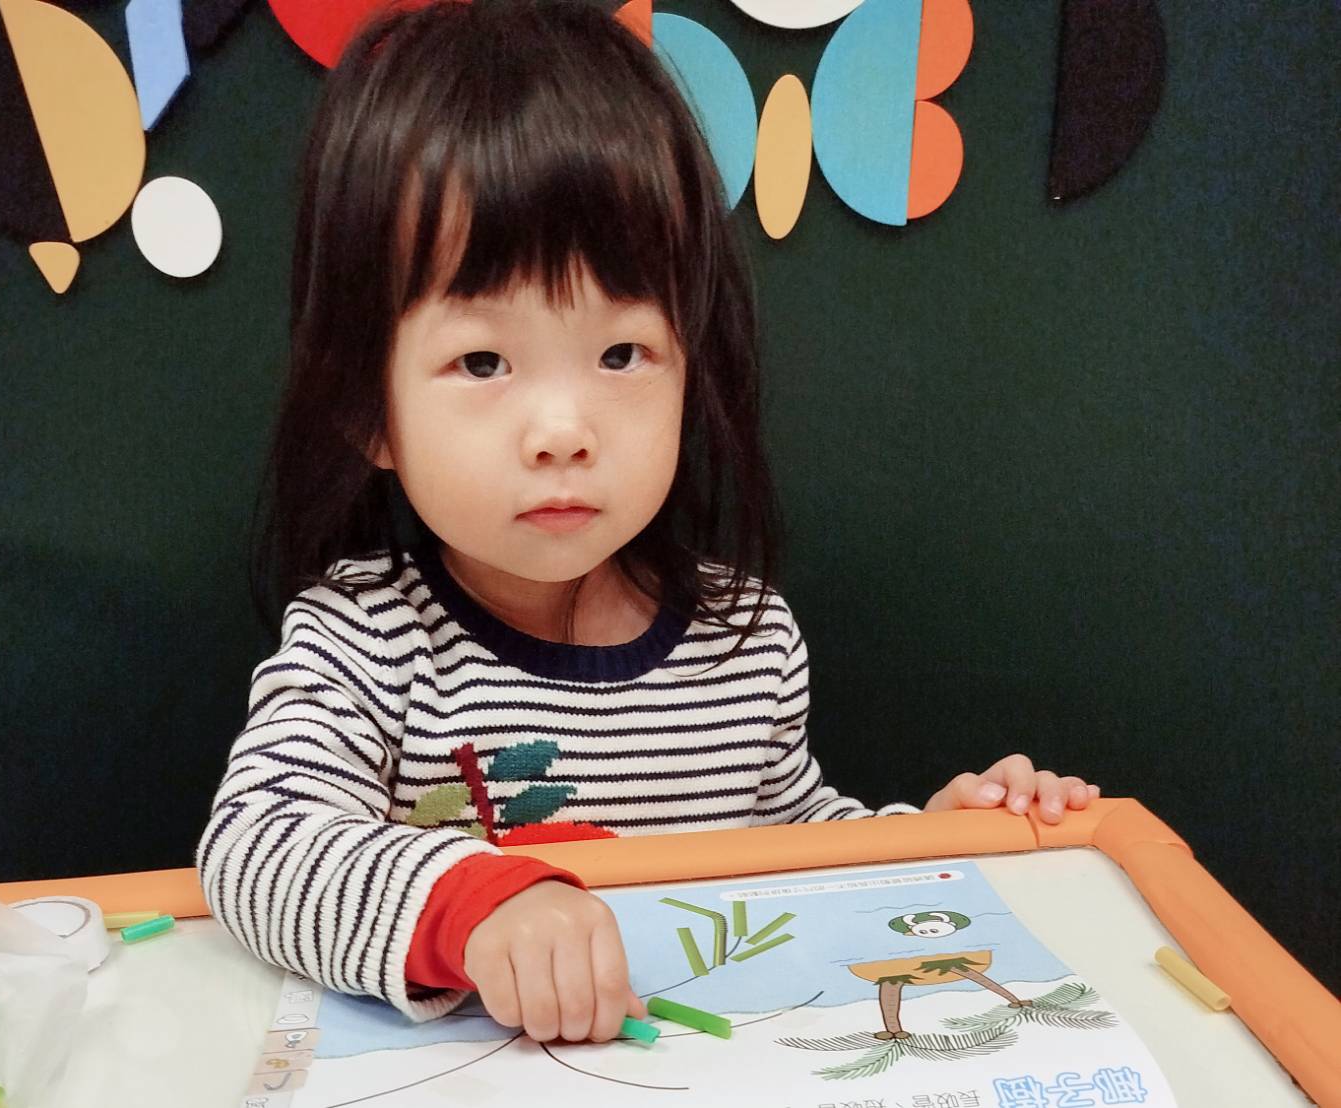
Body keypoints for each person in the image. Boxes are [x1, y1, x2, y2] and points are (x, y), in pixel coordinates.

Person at [197, 0, 1097, 1049]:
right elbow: (257, 847)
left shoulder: (745, 639)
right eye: (482, 361)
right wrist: (472, 906)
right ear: (369, 409)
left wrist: (931, 844)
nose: (563, 432)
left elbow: (796, 846)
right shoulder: (365, 637)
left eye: (621, 354)